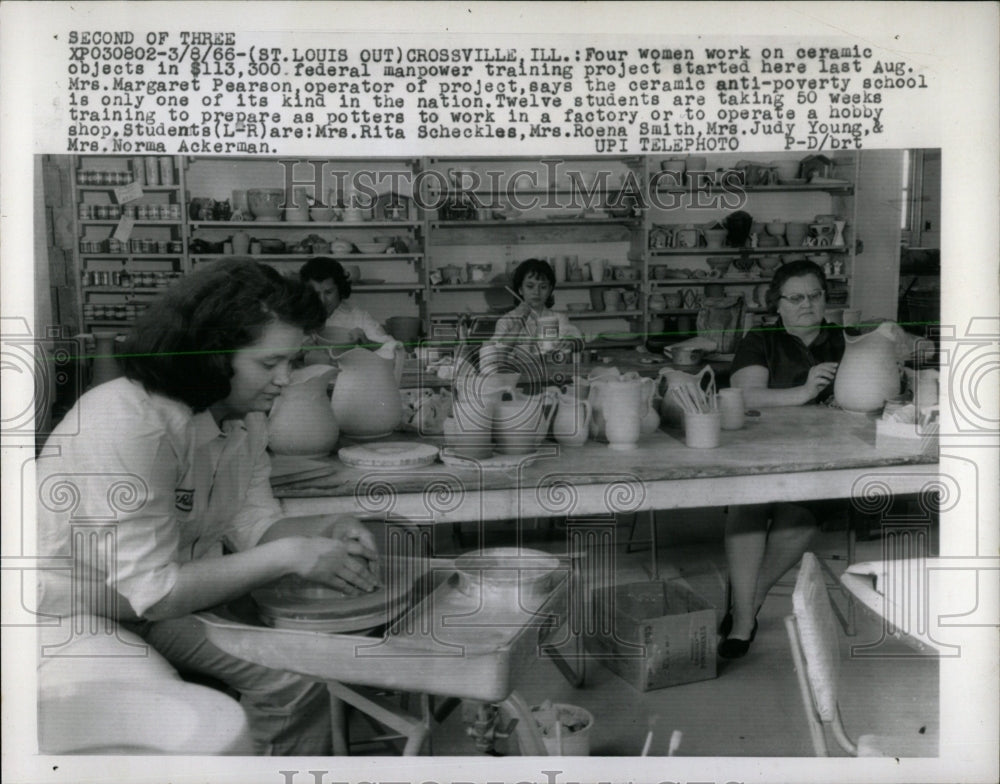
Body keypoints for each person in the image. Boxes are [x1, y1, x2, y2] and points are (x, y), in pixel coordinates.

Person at [36, 259, 381, 754]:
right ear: (212, 355)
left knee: (300, 675)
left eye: (292, 361)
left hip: (161, 600)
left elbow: (255, 524)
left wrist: (326, 525)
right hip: (69, 610)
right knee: (159, 721)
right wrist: (292, 556)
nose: (286, 379)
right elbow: (155, 590)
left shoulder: (244, 417)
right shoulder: (129, 421)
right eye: (269, 363)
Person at [719, 259, 845, 659]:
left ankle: (744, 610)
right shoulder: (761, 339)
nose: (807, 304)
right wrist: (803, 393)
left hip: (821, 458)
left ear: (825, 298)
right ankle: (744, 610)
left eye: (815, 295)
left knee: (799, 518)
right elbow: (747, 395)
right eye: (796, 298)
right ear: (778, 305)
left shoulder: (845, 340)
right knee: (748, 507)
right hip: (759, 453)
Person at [299, 256, 393, 348]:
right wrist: (298, 353)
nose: (322, 300)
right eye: (315, 294)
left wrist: (367, 344)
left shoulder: (359, 317)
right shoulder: (294, 318)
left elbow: (393, 349)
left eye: (328, 292)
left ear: (340, 289)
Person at [491, 258, 582, 348]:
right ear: (520, 289)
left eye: (543, 287)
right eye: (530, 286)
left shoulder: (559, 319)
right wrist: (519, 322)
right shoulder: (507, 320)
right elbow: (497, 351)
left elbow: (577, 342)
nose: (536, 292)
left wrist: (570, 343)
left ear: (550, 290)